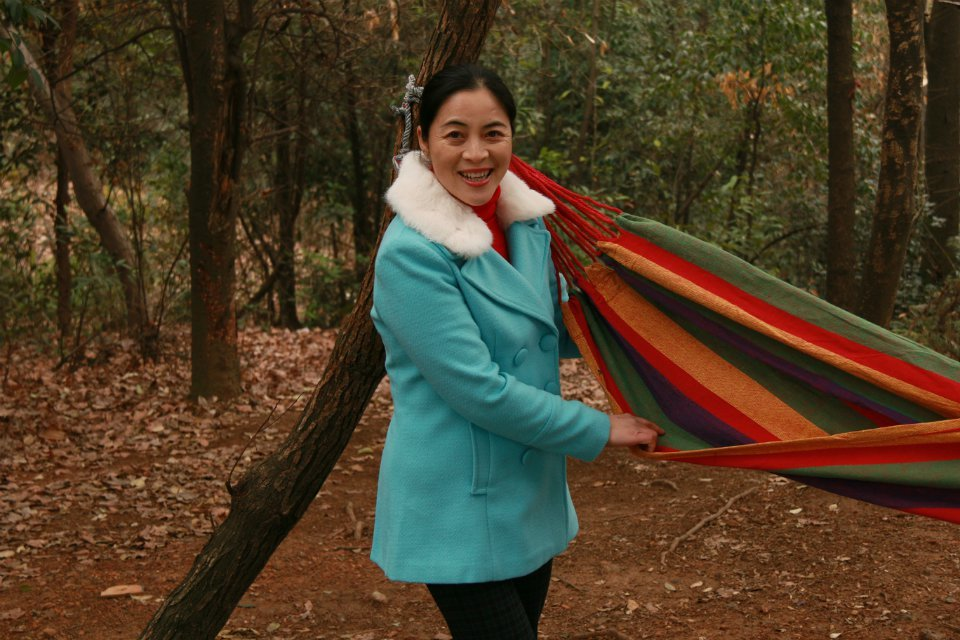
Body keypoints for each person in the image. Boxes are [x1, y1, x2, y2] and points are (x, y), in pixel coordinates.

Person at [370, 64, 663, 640]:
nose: (476, 154)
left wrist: (651, 326)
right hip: (459, 499)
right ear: (423, 141)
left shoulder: (525, 225)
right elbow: (478, 389)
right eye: (455, 135)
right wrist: (600, 428)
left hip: (527, 493)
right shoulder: (411, 254)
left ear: (512, 137)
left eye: (493, 133)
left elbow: (549, 328)